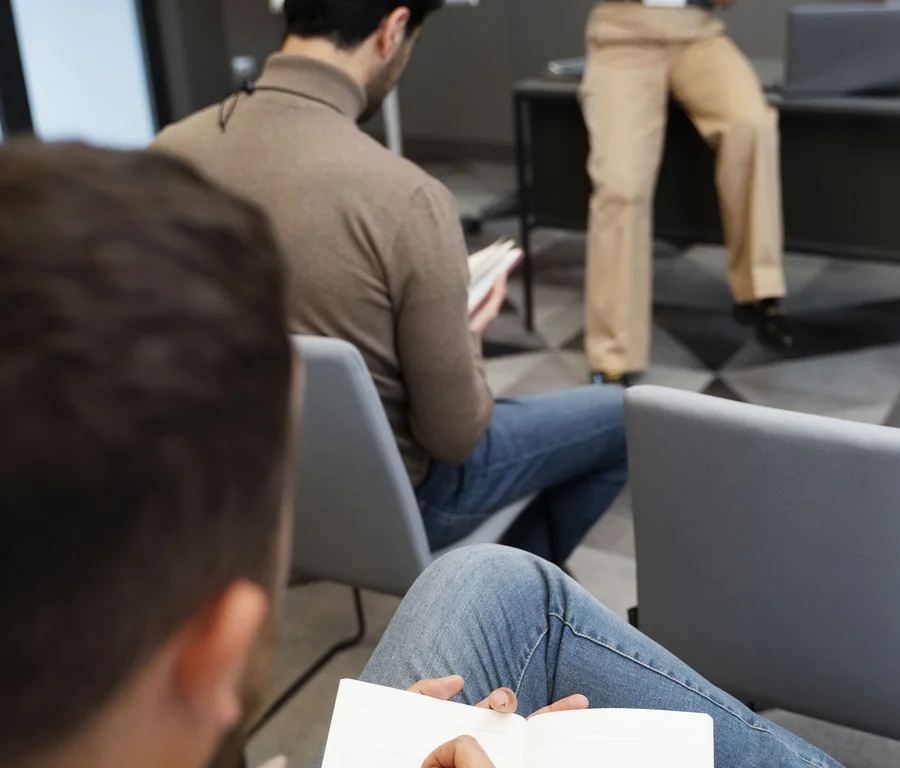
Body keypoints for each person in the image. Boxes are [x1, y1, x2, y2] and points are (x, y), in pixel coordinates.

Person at [0, 139, 843, 768]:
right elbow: (456, 435)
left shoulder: (178, 141)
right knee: (573, 478)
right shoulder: (401, 195)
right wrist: (453, 347)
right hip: (435, 485)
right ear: (210, 656)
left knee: (485, 576)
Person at [151, 0, 625, 566]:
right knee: (624, 417)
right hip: (400, 504)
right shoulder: (406, 198)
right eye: (413, 42)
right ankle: (499, 604)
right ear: (393, 29)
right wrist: (469, 334)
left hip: (230, 494)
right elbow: (455, 437)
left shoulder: (167, 153)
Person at [581, 0, 795, 386]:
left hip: (698, 32)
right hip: (623, 36)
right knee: (620, 185)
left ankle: (758, 289)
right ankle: (614, 350)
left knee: (752, 125)